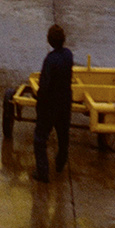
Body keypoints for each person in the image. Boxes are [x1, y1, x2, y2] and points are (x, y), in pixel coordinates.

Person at [34, 24, 74, 182]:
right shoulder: (69, 55)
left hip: (50, 105)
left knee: (40, 138)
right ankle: (60, 163)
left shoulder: (50, 60)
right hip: (65, 102)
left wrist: (39, 100)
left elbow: (44, 86)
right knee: (63, 136)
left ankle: (43, 172)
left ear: (49, 41)